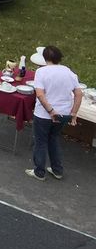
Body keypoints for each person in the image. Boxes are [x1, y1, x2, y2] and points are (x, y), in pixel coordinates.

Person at [26, 45, 83, 182]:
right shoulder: (69, 72)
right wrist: (73, 113)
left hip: (44, 115)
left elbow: (40, 94)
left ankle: (39, 171)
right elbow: (79, 94)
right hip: (64, 114)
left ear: (44, 58)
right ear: (60, 58)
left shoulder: (41, 72)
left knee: (40, 142)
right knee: (54, 138)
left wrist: (51, 111)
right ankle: (57, 170)